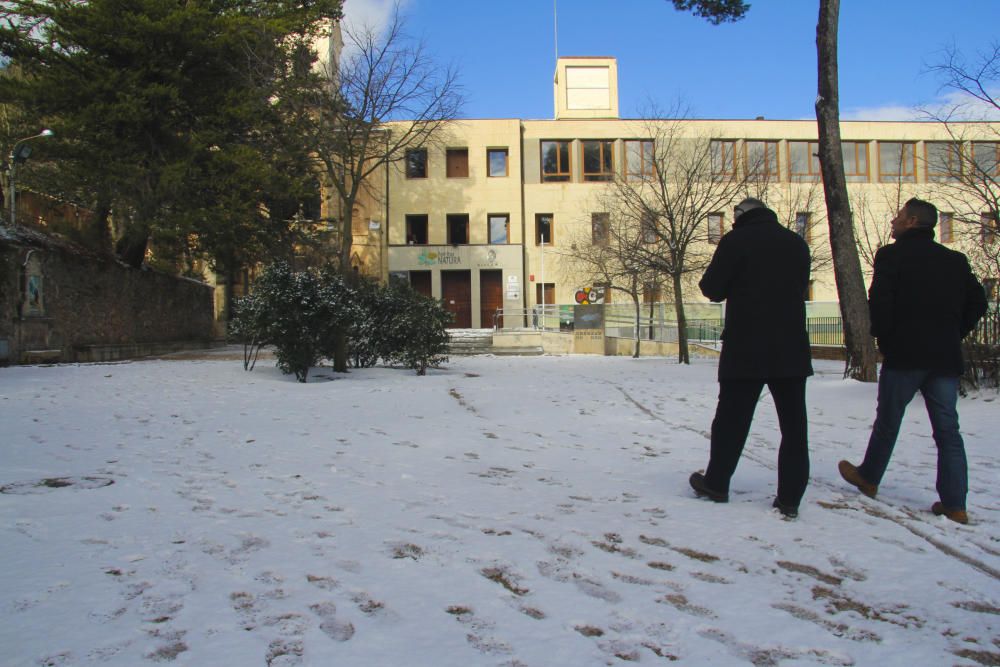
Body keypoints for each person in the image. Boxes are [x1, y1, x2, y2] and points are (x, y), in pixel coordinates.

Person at [838, 198, 987, 524]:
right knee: (948, 431)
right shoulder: (955, 260)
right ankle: (955, 503)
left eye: (899, 216)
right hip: (944, 358)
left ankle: (869, 477)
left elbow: (879, 302)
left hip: (905, 355)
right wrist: (954, 332)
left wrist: (885, 339)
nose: (893, 220)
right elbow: (978, 301)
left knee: (889, 420)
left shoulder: (891, 256)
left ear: (912, 222)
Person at [690, 197, 813, 518]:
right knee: (794, 426)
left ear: (740, 216)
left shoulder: (736, 241)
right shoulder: (796, 243)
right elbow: (799, 287)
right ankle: (790, 498)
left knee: (731, 419)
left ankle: (716, 483)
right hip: (790, 346)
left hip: (746, 346)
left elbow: (712, 288)